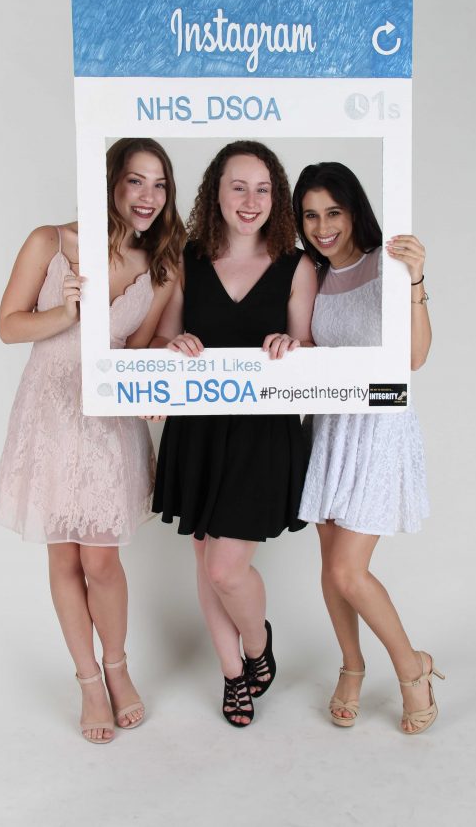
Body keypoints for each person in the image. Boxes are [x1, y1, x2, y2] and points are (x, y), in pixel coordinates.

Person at [0, 138, 185, 743]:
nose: (148, 197)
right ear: (111, 183)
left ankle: (118, 666)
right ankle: (87, 682)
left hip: (107, 420)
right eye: (135, 181)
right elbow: (7, 325)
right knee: (63, 556)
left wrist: (169, 355)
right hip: (48, 413)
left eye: (159, 185)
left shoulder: (162, 267)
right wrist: (65, 314)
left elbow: (139, 349)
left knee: (101, 557)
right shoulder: (51, 241)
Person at [151, 140, 317, 727]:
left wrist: (291, 346)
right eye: (238, 187)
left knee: (226, 568)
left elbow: (312, 354)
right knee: (205, 561)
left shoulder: (298, 266)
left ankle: (256, 644)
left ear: (277, 197)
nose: (251, 201)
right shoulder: (187, 260)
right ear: (214, 193)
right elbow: (161, 343)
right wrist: (175, 345)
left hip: (264, 435)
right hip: (197, 430)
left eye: (263, 188)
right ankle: (231, 676)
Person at [294, 161, 444, 735]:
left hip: (379, 427)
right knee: (331, 569)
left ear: (354, 210)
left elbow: (414, 357)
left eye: (333, 211)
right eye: (310, 214)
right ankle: (352, 667)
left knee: (349, 570)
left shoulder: (389, 266)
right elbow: (308, 347)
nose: (322, 225)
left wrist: (418, 280)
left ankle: (412, 670)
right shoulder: (311, 273)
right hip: (330, 428)